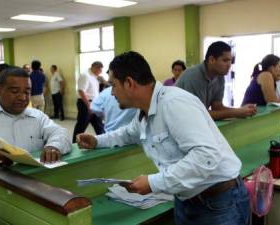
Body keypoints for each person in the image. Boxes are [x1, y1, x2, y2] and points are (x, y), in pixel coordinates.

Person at [77, 51, 249, 225]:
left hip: (219, 202)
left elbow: (206, 155)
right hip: (187, 199)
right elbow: (127, 134)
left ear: (129, 83)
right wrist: (97, 141)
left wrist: (154, 182)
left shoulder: (174, 103)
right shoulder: (144, 111)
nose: (112, 92)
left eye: (113, 85)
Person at [176, 41, 256, 120]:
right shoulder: (193, 76)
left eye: (230, 61)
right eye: (225, 60)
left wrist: (241, 111)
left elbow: (217, 107)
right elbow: (198, 114)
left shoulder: (219, 76)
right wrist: (236, 113)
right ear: (211, 60)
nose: (229, 65)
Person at [72, 61, 105, 142]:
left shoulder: (94, 77)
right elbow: (81, 91)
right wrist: (88, 105)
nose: (101, 72)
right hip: (86, 104)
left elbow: (95, 92)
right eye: (100, 70)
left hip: (94, 104)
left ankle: (104, 141)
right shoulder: (85, 75)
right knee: (81, 125)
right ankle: (74, 143)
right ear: (94, 67)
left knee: (99, 125)